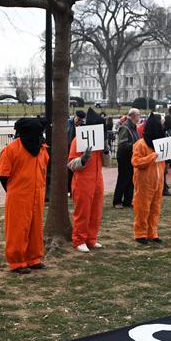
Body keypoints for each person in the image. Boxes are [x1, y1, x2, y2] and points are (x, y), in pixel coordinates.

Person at [0, 118, 48, 272]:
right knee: (17, 229)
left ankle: (33, 258)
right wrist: (14, 191)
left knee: (35, 228)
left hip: (37, 195)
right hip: (18, 196)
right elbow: (3, 175)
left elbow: (44, 170)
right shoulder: (12, 149)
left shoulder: (42, 149)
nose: (40, 136)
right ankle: (17, 261)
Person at [68, 108, 105, 253]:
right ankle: (79, 240)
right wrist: (83, 159)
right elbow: (71, 164)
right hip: (82, 182)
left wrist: (106, 151)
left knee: (96, 212)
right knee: (82, 212)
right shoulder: (78, 140)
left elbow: (106, 163)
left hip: (97, 180)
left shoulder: (99, 142)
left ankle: (91, 238)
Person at [132, 113, 166, 244]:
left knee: (155, 208)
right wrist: (151, 157)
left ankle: (152, 232)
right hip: (144, 182)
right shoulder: (140, 144)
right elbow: (136, 162)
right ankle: (140, 233)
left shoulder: (160, 144)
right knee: (142, 208)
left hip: (158, 182)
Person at [113, 108, 140, 208]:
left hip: (132, 156)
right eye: (138, 115)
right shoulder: (125, 127)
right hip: (124, 157)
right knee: (123, 179)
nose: (139, 117)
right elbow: (122, 144)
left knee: (131, 179)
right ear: (133, 116)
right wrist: (135, 145)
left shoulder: (133, 127)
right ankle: (117, 201)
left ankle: (127, 201)